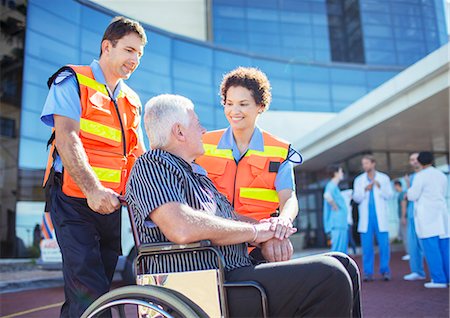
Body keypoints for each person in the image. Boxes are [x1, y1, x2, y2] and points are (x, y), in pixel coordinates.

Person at [126, 94, 362, 317]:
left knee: (345, 264)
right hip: (202, 285)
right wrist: (256, 232)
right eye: (197, 124)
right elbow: (181, 227)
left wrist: (268, 233)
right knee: (330, 274)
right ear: (179, 131)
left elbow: (228, 218)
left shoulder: (197, 175)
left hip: (230, 274)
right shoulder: (153, 164)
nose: (204, 131)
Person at [40, 16, 147, 317]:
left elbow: (138, 155)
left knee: (88, 292)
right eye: (128, 50)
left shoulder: (132, 99)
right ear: (106, 47)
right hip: (75, 200)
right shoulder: (72, 79)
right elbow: (67, 137)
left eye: (139, 54)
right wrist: (93, 189)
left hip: (110, 206)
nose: (134, 59)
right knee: (91, 292)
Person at [195, 67, 299, 261]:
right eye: (229, 103)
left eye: (243, 104)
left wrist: (283, 221)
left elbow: (289, 197)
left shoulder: (280, 151)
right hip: (213, 244)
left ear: (260, 106)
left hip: (260, 243)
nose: (234, 111)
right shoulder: (202, 144)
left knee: (280, 251)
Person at [407, 151, 449, 288]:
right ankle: (447, 277)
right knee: (445, 249)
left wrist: (408, 187)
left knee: (432, 249)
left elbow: (412, 196)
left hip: (428, 217)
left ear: (419, 162)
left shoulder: (420, 176)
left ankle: (438, 280)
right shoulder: (441, 175)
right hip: (441, 215)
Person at [353, 155, 393, 281]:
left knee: (384, 246)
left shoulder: (384, 178)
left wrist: (379, 187)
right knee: (367, 247)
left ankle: (385, 271)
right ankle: (368, 273)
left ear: (373, 164)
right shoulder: (359, 180)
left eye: (367, 163)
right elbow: (356, 198)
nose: (365, 166)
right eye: (363, 164)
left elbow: (390, 195)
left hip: (380, 218)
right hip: (366, 219)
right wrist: (365, 190)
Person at [403, 152, 426, 281]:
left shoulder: (425, 175)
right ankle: (417, 271)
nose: (414, 162)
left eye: (416, 159)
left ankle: (437, 274)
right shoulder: (410, 177)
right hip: (412, 214)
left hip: (424, 215)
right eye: (411, 160)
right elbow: (407, 196)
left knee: (427, 245)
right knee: (413, 244)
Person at [323, 165, 348, 253]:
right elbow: (327, 196)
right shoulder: (331, 185)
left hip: (341, 223)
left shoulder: (334, 187)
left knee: (342, 250)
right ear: (336, 173)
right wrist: (334, 206)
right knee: (337, 250)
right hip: (337, 223)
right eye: (341, 172)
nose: (342, 174)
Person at [394, 180, 408, 260]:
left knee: (405, 236)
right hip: (403, 217)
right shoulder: (402, 194)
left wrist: (403, 217)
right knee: (403, 235)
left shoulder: (402, 194)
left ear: (397, 185)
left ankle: (409, 253)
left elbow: (403, 205)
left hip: (403, 218)